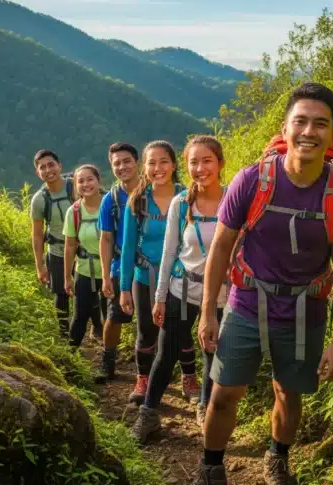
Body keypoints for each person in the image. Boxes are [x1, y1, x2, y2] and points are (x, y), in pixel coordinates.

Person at [193, 83, 333, 485]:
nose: (309, 131)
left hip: (306, 310)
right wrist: (208, 312)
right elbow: (220, 247)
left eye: (320, 124)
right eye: (301, 121)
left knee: (289, 395)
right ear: (285, 128)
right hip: (245, 303)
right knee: (222, 395)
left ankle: (278, 458)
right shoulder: (251, 180)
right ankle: (210, 467)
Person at [131, 136, 229, 443]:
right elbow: (169, 252)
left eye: (207, 161)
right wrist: (160, 297)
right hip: (181, 289)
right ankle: (148, 414)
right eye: (193, 162)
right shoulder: (181, 203)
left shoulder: (233, 200)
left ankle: (204, 406)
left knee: (212, 353)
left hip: (224, 294)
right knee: (166, 352)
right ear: (185, 167)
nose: (200, 169)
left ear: (220, 163)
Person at [119, 141, 200, 406]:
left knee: (181, 331)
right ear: (145, 167)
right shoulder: (138, 202)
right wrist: (123, 287)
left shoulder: (189, 197)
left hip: (181, 280)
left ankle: (189, 378)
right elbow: (129, 246)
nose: (158, 168)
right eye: (152, 163)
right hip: (145, 277)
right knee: (146, 332)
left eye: (164, 161)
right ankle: (143, 378)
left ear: (174, 165)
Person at [97, 143, 141, 383]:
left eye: (126, 161)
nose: (122, 167)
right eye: (116, 163)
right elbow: (105, 238)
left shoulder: (154, 192)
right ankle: (108, 361)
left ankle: (147, 370)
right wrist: (105, 276)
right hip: (120, 267)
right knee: (114, 318)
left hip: (152, 267)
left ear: (137, 162)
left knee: (153, 319)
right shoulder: (111, 199)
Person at [30, 149, 74, 337]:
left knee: (89, 293)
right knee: (61, 294)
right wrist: (40, 266)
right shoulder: (39, 200)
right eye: (42, 167)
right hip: (57, 250)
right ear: (37, 173)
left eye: (51, 165)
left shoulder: (76, 186)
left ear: (59, 166)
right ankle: (64, 335)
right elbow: (37, 235)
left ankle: (95, 330)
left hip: (83, 250)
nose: (48, 170)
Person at [64, 164, 106, 348]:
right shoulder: (73, 211)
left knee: (110, 317)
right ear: (75, 185)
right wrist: (67, 277)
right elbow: (70, 245)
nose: (86, 184)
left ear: (98, 181)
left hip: (110, 271)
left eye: (90, 179)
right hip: (84, 270)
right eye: (80, 181)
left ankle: (108, 362)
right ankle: (69, 362)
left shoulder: (110, 206)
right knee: (80, 316)